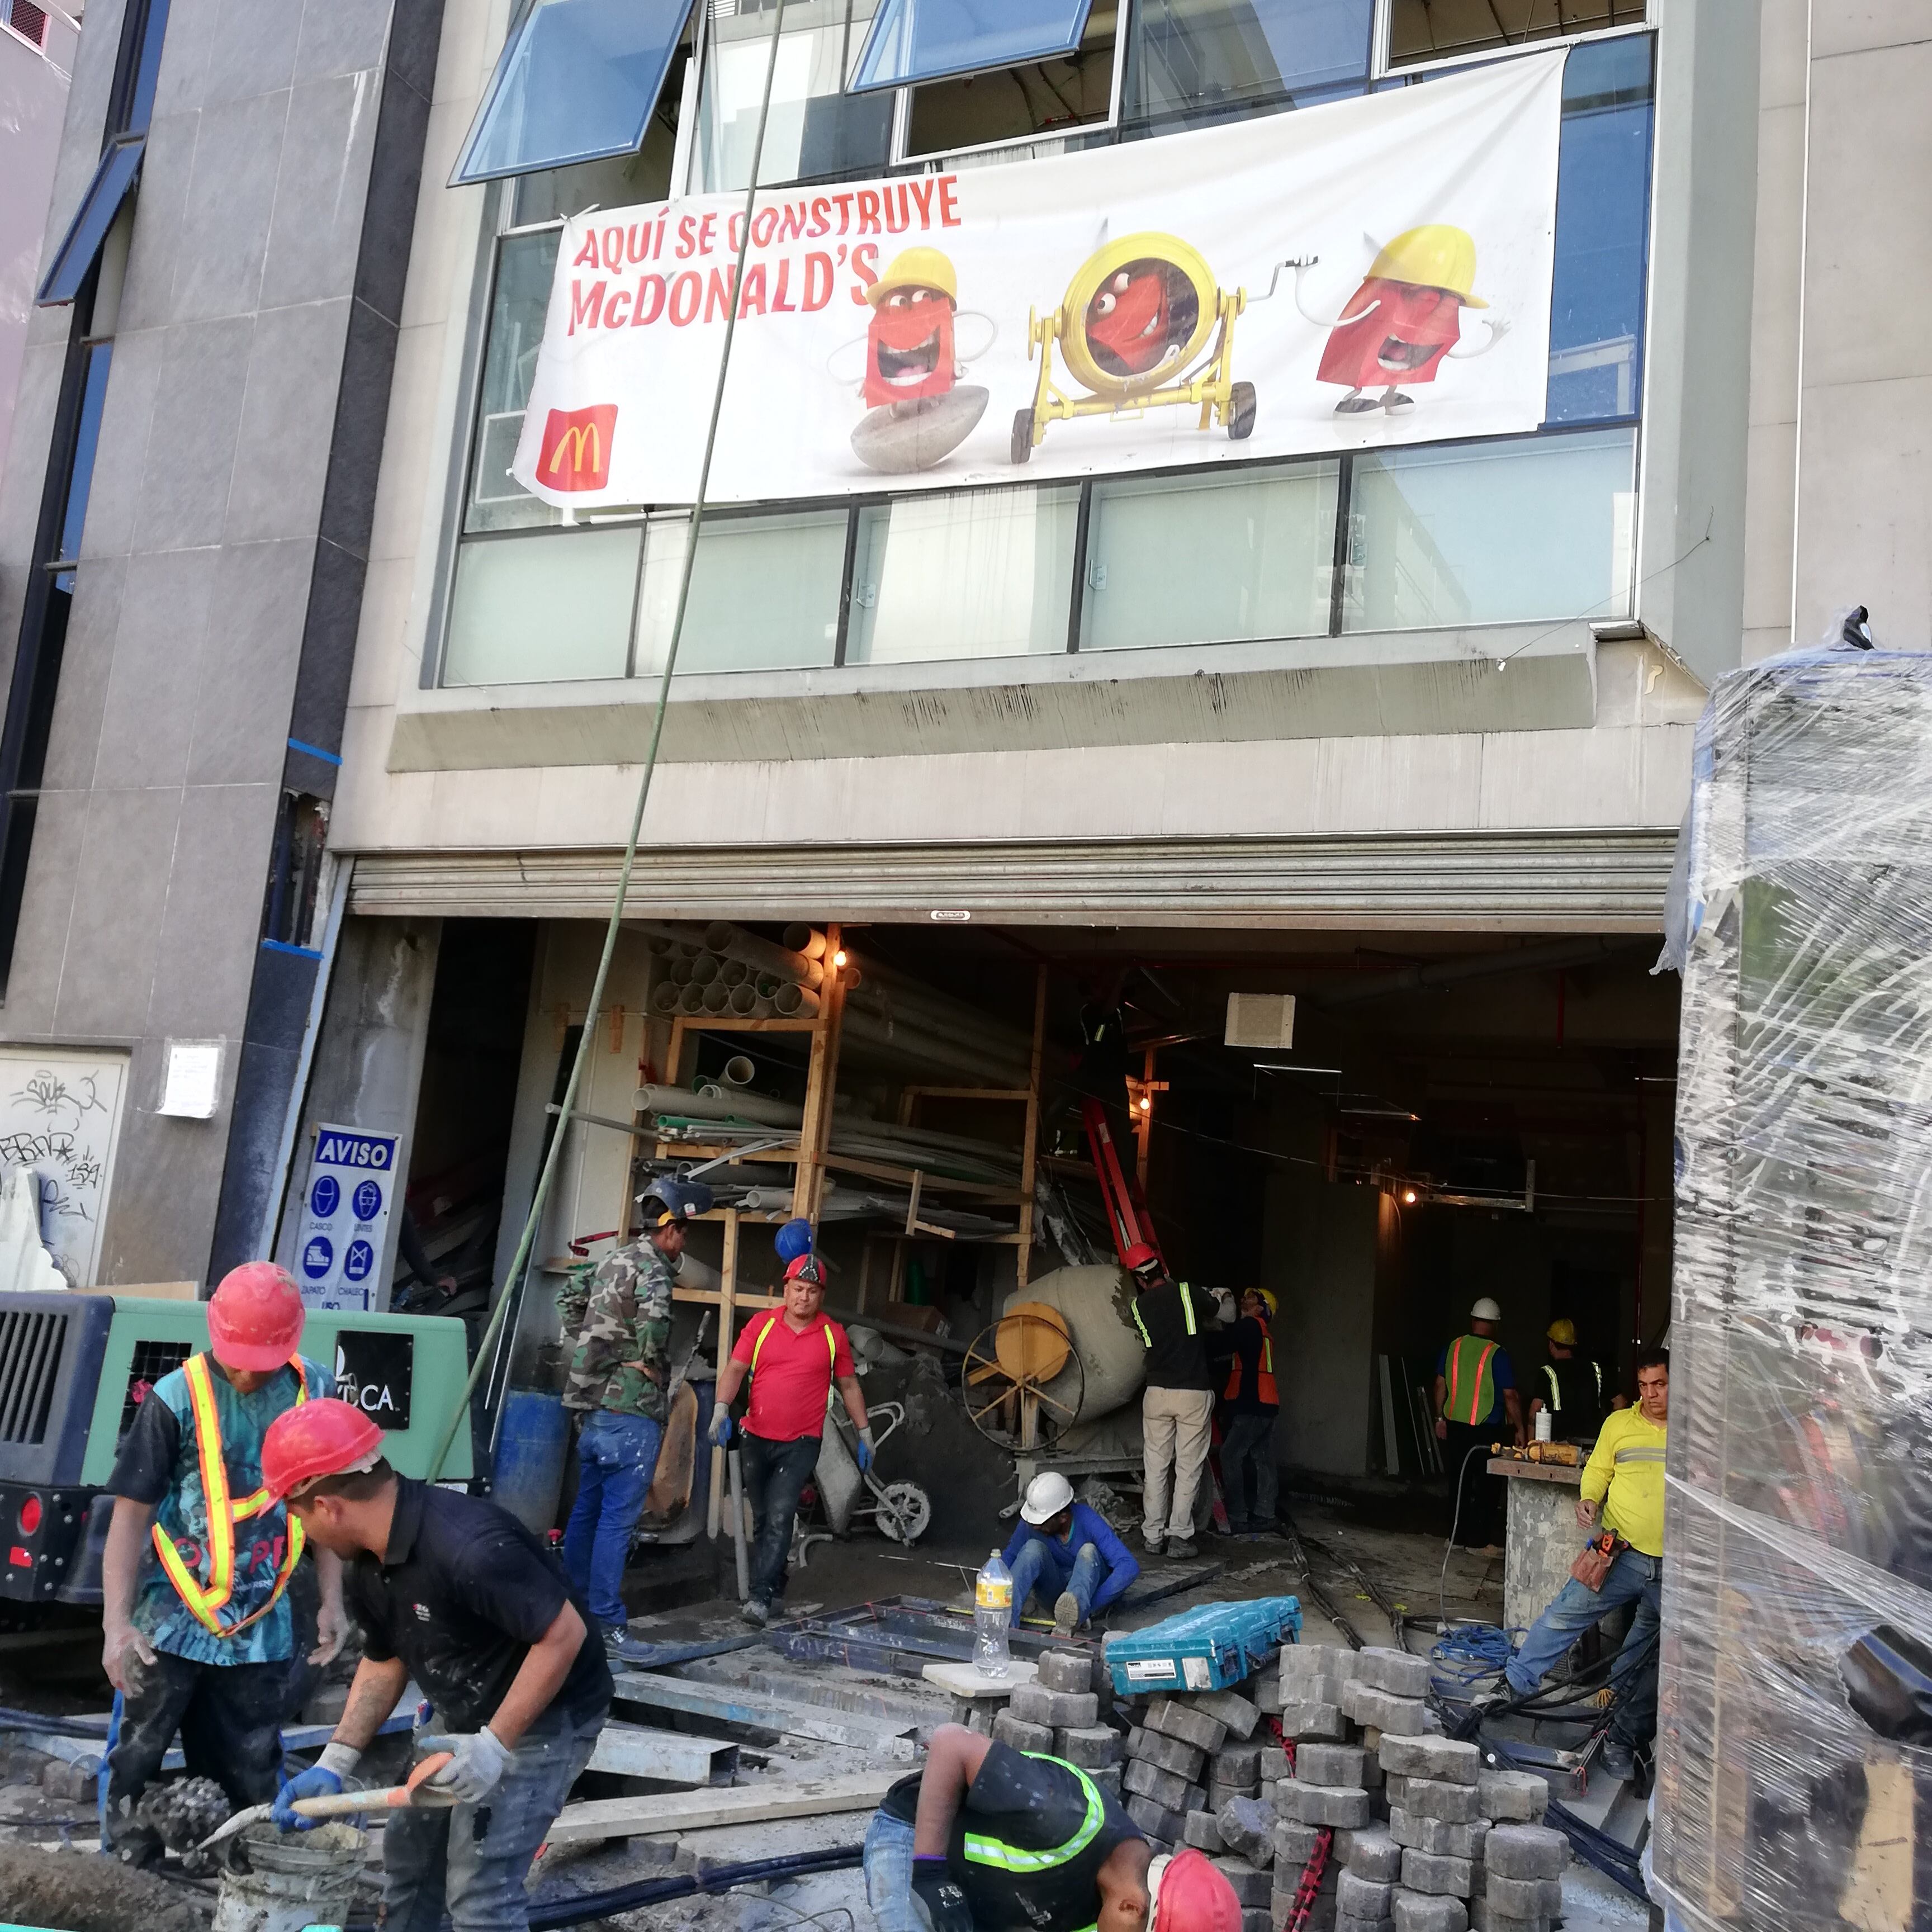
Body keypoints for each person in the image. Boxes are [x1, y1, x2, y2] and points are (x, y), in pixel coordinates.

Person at [263, 1399, 612, 1932]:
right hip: (464, 1706)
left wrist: (495, 1746)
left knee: (480, 1892)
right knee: (412, 1859)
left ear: (328, 1506)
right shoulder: (367, 1564)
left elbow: (565, 1635)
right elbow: (385, 1661)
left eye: (296, 1513)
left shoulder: (470, 1547)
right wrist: (335, 1762)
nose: (301, 1530)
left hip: (543, 1715)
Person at [98, 1262, 347, 1864]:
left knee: (250, 1756)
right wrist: (116, 1625)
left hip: (261, 1617)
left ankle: (239, 1871)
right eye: (236, 1356)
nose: (246, 1371)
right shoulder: (176, 1398)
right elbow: (130, 1517)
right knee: (139, 1751)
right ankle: (129, 1871)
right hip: (170, 1615)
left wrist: (334, 1601)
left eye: (260, 1360)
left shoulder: (314, 1391)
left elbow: (329, 1506)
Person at [861, 1722, 1240, 1932]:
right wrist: (929, 1874)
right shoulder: (1063, 1815)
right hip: (914, 1837)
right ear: (1131, 1908)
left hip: (983, 1889)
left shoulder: (1115, 1892)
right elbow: (949, 1743)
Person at [1492, 1347, 1670, 1780]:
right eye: (1644, 1386)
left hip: (1675, 1570)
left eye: (1660, 1385)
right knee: (1563, 1616)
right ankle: (1513, 1685)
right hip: (1620, 1553)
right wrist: (1589, 1497)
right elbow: (1598, 1472)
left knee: (1647, 1656)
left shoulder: (1698, 1434)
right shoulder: (1619, 1425)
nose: (1650, 1395)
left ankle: (1619, 1735)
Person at [561, 1176, 711, 1650]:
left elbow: (571, 1298)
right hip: (632, 1413)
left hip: (596, 1407)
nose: (683, 1240)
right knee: (616, 1521)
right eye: (683, 1231)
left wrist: (600, 1351)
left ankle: (567, 1611)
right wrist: (642, 1359)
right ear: (670, 1229)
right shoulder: (655, 1272)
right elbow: (655, 1329)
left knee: (586, 1510)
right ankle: (606, 1622)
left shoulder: (613, 1260)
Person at [709, 1251, 874, 1626]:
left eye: (812, 1291)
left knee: (782, 1513)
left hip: (801, 1442)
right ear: (786, 1288)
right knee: (765, 1518)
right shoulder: (761, 1326)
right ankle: (777, 1583)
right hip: (756, 1436)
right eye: (798, 1288)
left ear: (822, 1296)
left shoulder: (833, 1336)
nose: (804, 1297)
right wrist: (721, 1409)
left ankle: (761, 1597)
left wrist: (865, 1433)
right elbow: (736, 1368)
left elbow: (848, 1384)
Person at [1128, 1244, 1214, 1560]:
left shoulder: (1138, 1306)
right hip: (1193, 1392)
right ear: (1161, 1268)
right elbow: (1219, 1311)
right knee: (1188, 1468)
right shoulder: (1188, 1292)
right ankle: (1179, 1538)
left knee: (1156, 1466)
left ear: (1138, 1279)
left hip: (1157, 1394)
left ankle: (1153, 1536)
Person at [1433, 1295, 1524, 1552]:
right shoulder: (1498, 1354)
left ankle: (1455, 1538)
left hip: (1456, 1427)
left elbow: (1440, 1384)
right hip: (1487, 1430)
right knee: (1486, 1486)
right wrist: (1520, 1429)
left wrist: (1439, 1419)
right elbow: (1510, 1396)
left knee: (1458, 1482)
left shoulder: (1453, 1347)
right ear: (1495, 1325)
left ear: (1473, 1320)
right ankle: (1479, 1542)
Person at [1002, 1471, 1139, 1635]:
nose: (1035, 1526)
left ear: (1063, 1518)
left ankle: (1073, 1615)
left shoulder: (1087, 1520)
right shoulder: (1030, 1524)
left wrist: (1090, 1606)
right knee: (1032, 1549)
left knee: (1088, 1551)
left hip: (1088, 1593)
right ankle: (1005, 1621)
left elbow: (1128, 1566)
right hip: (1055, 1592)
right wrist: (991, 1588)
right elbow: (1009, 1556)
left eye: (1041, 1522)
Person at [1219, 1287, 1280, 1535]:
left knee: (1230, 1456)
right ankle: (1266, 1514)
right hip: (1267, 1404)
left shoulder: (1249, 1327)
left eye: (1252, 1298)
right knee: (1263, 1459)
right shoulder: (1262, 1333)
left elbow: (1222, 1345)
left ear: (1262, 1309)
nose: (1244, 1299)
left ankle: (1237, 1516)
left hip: (1251, 1406)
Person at [1527, 1317, 1622, 1441]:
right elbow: (1620, 1402)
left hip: (1559, 1446)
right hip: (1593, 1445)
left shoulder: (1547, 1372)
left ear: (1551, 1344)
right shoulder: (1596, 1369)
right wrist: (1608, 1432)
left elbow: (1535, 1411)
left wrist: (1530, 1446)